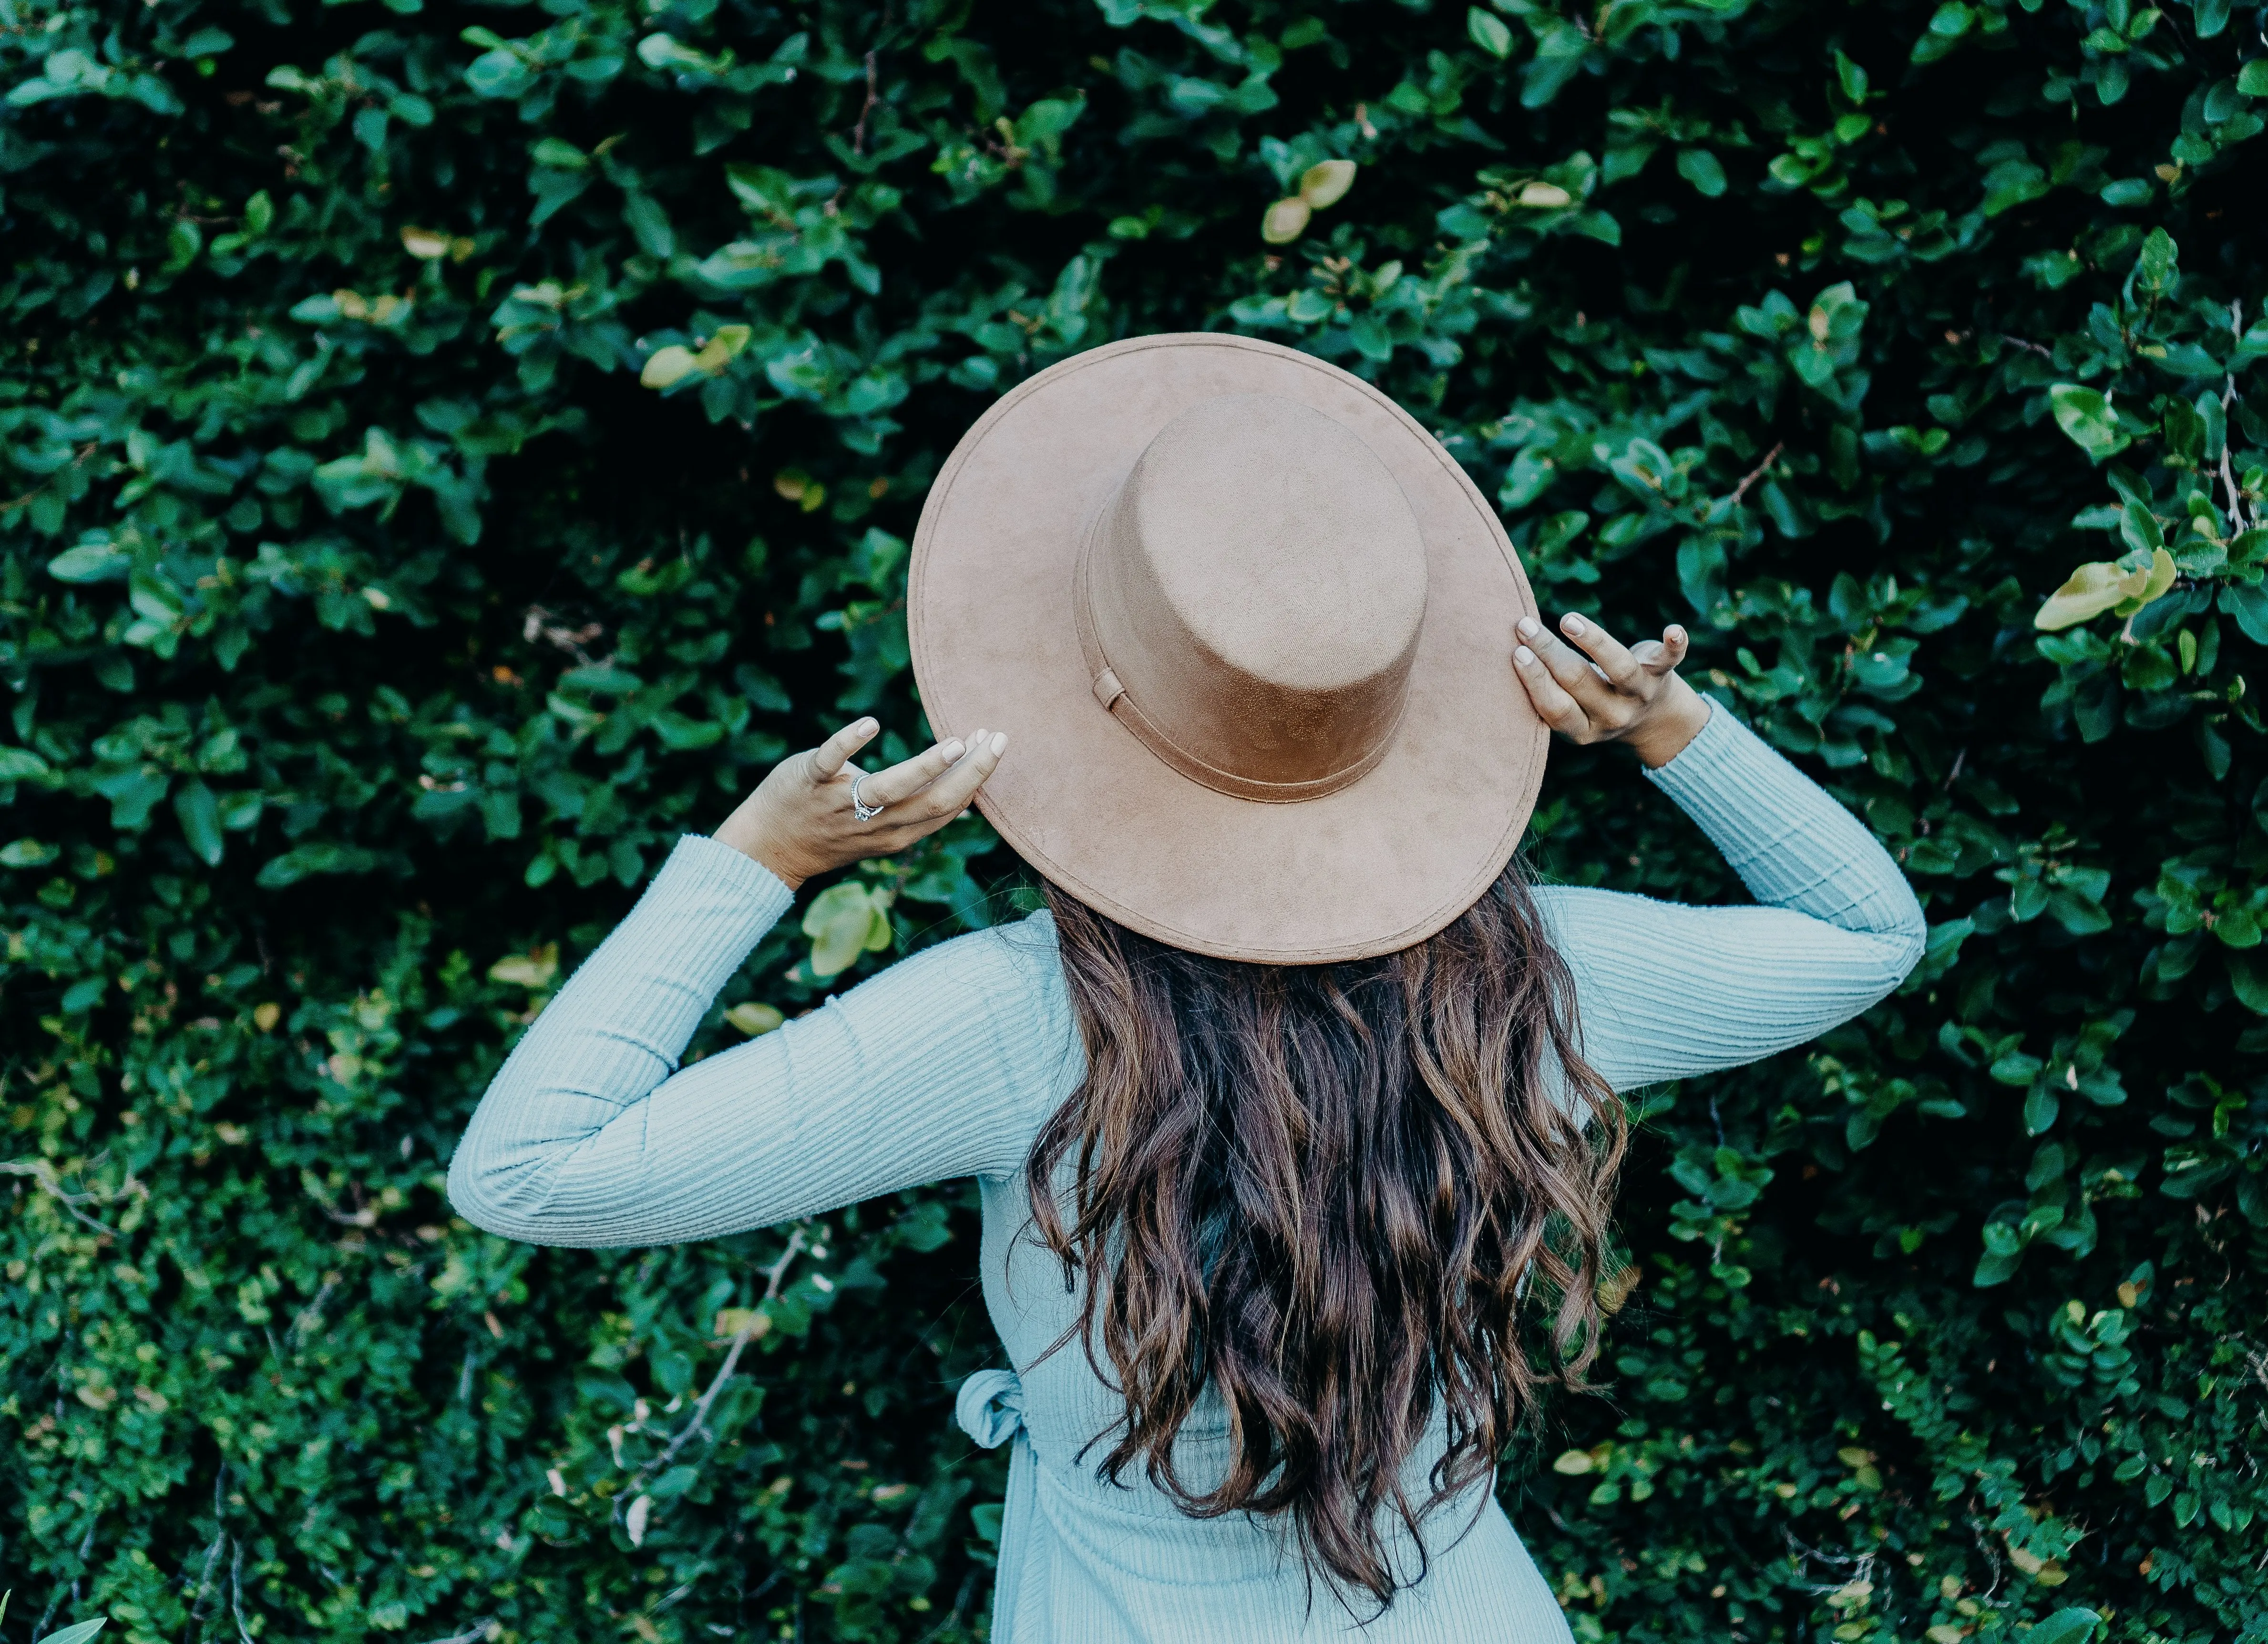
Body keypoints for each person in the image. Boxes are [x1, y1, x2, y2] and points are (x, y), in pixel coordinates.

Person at [449, 334, 1924, 1641]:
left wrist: (756, 861)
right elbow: (1870, 935)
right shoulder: (1532, 987)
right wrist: (1674, 731)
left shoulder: (1015, 1024)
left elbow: (530, 1171)